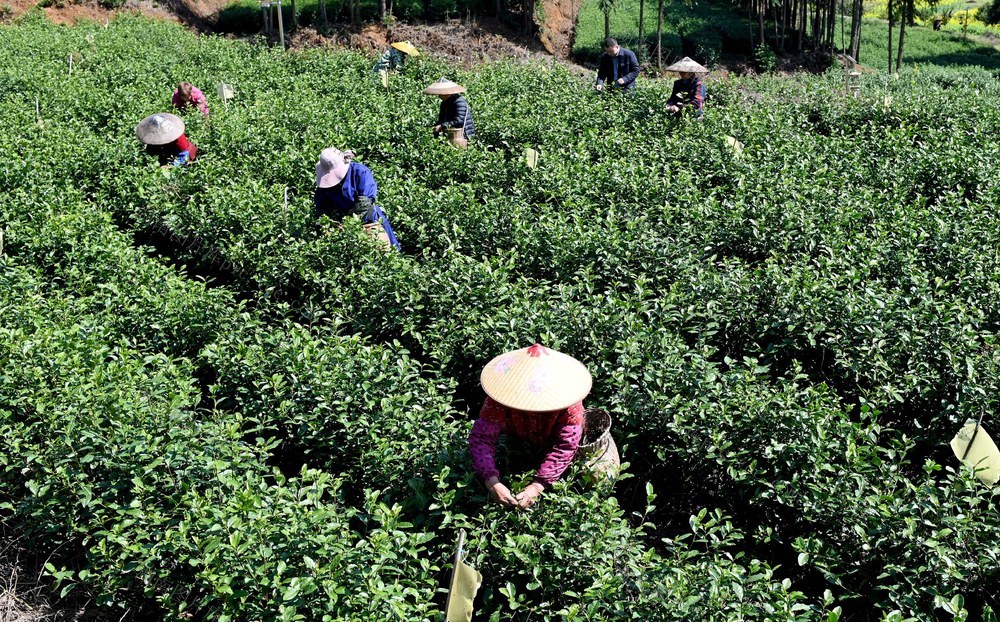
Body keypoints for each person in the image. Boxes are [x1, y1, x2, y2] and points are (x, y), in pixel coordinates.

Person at [468, 344, 593, 509]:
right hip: (516, 438)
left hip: (551, 441)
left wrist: (537, 486)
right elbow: (482, 438)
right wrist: (492, 482)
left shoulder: (569, 403)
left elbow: (566, 445)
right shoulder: (501, 398)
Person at [314, 147, 400, 250]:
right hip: (342, 228)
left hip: (369, 222)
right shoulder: (325, 187)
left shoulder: (360, 172)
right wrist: (331, 225)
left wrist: (350, 225)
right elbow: (322, 208)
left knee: (385, 252)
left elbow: (364, 203)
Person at [424, 78, 476, 144]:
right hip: (450, 135)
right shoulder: (444, 103)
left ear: (447, 92)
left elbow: (459, 120)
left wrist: (441, 126)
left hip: (463, 135)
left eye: (440, 93)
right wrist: (435, 127)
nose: (439, 96)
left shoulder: (459, 102)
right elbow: (442, 119)